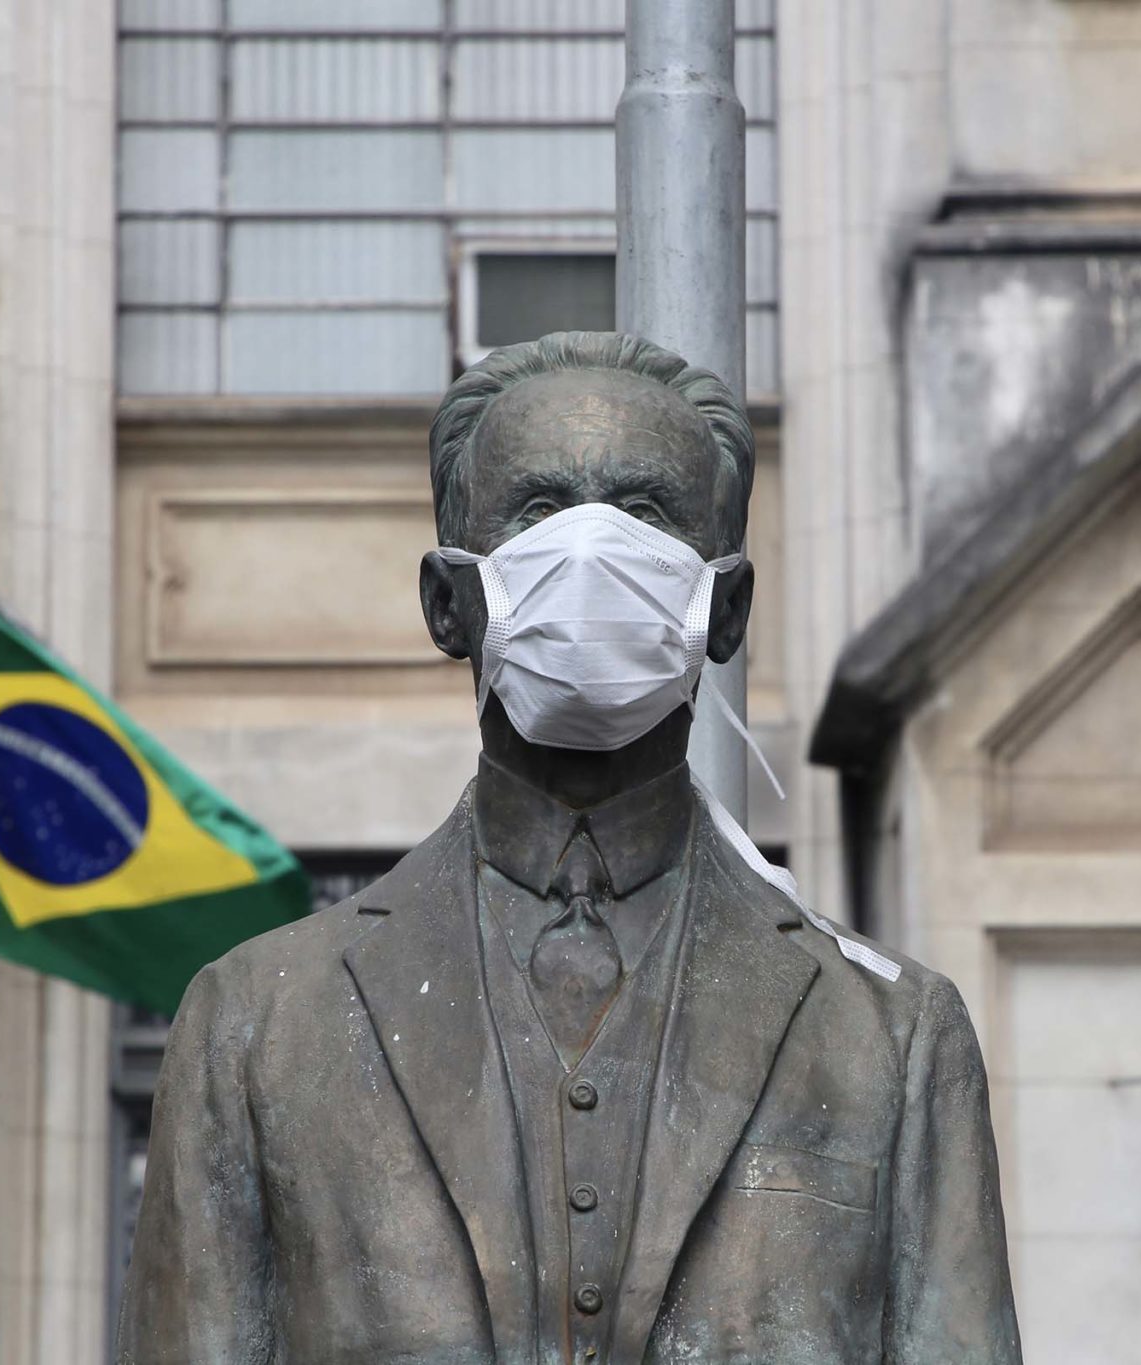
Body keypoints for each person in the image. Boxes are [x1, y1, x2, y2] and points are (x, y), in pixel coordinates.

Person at [116, 331, 1022, 1364]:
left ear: (725, 608)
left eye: (643, 513)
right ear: (446, 602)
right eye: (540, 510)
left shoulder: (892, 1041)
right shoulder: (255, 1028)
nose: (591, 550)